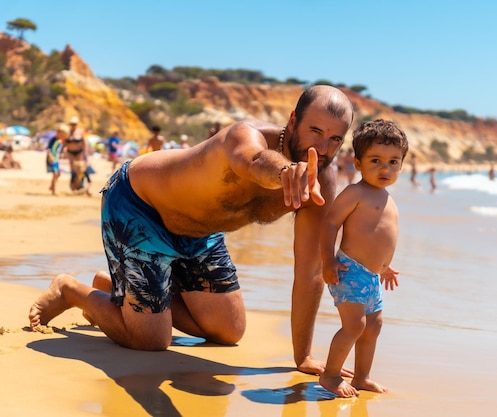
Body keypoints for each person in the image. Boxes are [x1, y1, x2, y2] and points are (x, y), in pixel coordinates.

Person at [29, 85, 355, 376]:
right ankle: (71, 291)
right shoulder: (246, 136)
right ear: (293, 120)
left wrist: (304, 356)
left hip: (200, 233)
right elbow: (255, 163)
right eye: (315, 131)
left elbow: (309, 271)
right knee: (152, 341)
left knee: (229, 331)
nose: (324, 148)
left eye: (335, 139)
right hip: (140, 206)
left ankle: (123, 292)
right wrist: (284, 172)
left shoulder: (320, 183)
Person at [319, 119, 406, 397]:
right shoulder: (355, 193)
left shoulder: (387, 197)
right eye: (376, 160)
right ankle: (331, 375)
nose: (385, 168)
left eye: (393, 162)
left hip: (371, 276)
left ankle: (362, 376)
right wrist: (327, 261)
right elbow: (330, 224)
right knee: (355, 325)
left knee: (374, 326)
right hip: (349, 269)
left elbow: (380, 236)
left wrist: (385, 266)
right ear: (358, 164)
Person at [65, 116, 93, 195]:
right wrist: (62, 152)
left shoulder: (80, 132)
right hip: (70, 152)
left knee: (80, 168)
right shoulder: (67, 132)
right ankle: (73, 185)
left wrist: (86, 155)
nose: (73, 125)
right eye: (72, 124)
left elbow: (85, 144)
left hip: (79, 152)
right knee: (72, 169)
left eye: (74, 124)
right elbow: (65, 143)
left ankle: (81, 185)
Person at [46, 123, 68, 195]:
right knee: (55, 174)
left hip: (56, 159)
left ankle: (52, 186)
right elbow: (49, 149)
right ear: (59, 133)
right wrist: (50, 156)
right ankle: (54, 190)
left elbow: (59, 149)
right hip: (51, 159)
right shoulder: (53, 139)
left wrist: (62, 153)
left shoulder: (59, 140)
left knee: (58, 174)